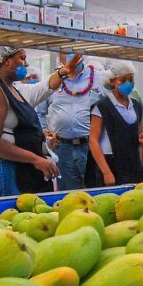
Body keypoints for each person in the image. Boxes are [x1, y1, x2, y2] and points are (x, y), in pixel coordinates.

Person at [0, 47, 78, 197]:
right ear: (6, 61)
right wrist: (35, 159)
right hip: (4, 169)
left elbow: (42, 89)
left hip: (19, 170)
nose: (26, 64)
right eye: (22, 58)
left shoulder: (10, 88)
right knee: (9, 211)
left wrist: (39, 138)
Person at [36, 54, 104, 190]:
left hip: (91, 147)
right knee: (69, 194)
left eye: (74, 51)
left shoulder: (98, 79)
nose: (71, 56)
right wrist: (45, 132)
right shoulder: (53, 81)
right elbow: (39, 112)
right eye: (65, 52)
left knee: (94, 190)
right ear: (59, 56)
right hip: (62, 148)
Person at [87, 60, 143, 186]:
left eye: (131, 80)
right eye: (123, 80)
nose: (128, 83)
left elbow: (138, 134)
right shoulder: (102, 106)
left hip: (132, 164)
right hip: (111, 163)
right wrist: (106, 173)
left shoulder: (136, 105)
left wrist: (142, 138)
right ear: (112, 81)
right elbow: (93, 141)